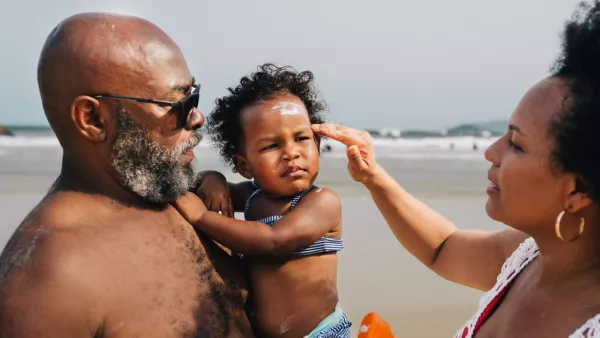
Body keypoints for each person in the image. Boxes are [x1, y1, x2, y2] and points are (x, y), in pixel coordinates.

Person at [311, 2, 600, 337]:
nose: (491, 152)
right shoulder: (526, 259)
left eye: (516, 144)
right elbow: (442, 247)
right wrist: (372, 176)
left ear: (578, 190)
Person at [0, 13, 253, 337]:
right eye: (181, 103)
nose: (197, 117)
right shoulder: (50, 278)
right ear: (93, 119)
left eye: (195, 95)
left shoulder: (175, 193)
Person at [172, 64, 351, 338]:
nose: (291, 153)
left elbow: (273, 240)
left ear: (317, 143)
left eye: (301, 138)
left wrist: (202, 218)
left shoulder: (321, 202)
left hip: (320, 334)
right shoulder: (254, 195)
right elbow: (212, 191)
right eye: (271, 146)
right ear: (244, 166)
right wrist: (213, 178)